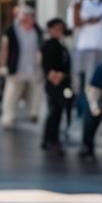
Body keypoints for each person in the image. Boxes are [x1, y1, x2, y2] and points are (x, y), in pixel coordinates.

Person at [0, 4, 43, 129]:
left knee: (34, 93)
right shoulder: (11, 30)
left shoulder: (37, 31)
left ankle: (34, 113)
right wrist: (2, 64)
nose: (27, 18)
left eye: (30, 16)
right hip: (16, 68)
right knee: (11, 95)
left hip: (33, 68)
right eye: (25, 16)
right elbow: (5, 49)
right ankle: (8, 117)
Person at [41, 18, 71, 154]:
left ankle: (52, 138)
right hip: (54, 83)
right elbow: (47, 67)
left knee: (58, 111)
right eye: (56, 28)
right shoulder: (49, 45)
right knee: (54, 111)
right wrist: (56, 77)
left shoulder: (61, 45)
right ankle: (49, 139)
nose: (59, 31)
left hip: (62, 83)